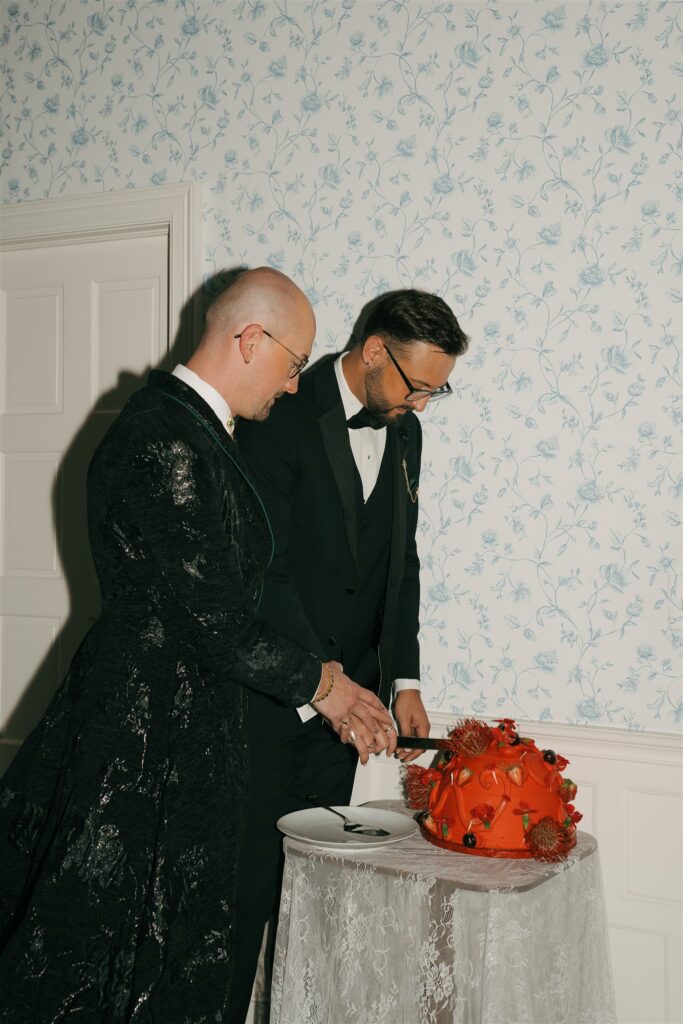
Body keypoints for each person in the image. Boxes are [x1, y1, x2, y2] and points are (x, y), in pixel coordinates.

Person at [0, 267, 397, 1022]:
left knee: (165, 947)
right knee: (117, 954)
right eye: (291, 366)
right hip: (143, 733)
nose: (290, 388)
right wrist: (327, 686)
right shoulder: (165, 435)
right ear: (250, 340)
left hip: (179, 721)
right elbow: (214, 620)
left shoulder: (194, 428)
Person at [229, 288, 469, 1021]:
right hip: (268, 708)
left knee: (320, 902)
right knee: (243, 905)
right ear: (372, 352)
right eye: (417, 386)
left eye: (438, 390)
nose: (423, 406)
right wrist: (317, 685)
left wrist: (402, 677)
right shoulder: (279, 413)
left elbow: (400, 562)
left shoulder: (404, 433)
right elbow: (261, 573)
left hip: (353, 715)